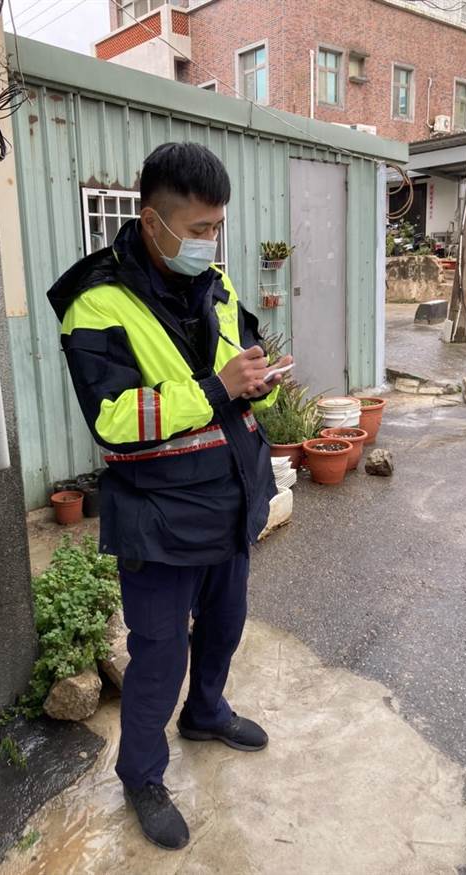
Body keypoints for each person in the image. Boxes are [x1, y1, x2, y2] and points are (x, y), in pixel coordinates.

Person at [47, 142, 292, 851]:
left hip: (229, 498)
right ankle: (142, 775)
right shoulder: (96, 303)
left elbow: (237, 371)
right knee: (158, 657)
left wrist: (258, 382)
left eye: (218, 226)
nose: (211, 240)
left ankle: (206, 713)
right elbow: (113, 418)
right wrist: (217, 389)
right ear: (152, 221)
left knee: (224, 627)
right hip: (157, 518)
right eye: (199, 228)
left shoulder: (215, 283)